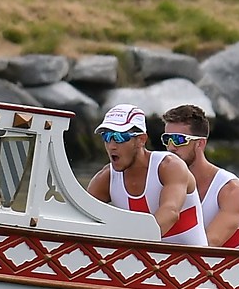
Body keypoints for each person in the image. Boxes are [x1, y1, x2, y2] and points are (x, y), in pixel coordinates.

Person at [86, 103, 205, 246]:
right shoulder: (105, 178)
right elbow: (82, 218)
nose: (111, 145)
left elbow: (171, 212)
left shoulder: (169, 166)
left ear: (141, 140)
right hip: (139, 260)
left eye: (119, 137)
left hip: (191, 262)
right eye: (106, 137)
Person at [161, 104, 239, 249]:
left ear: (200, 143)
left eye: (179, 139)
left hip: (229, 268)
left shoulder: (233, 191)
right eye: (167, 139)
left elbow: (210, 244)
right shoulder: (163, 182)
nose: (171, 147)